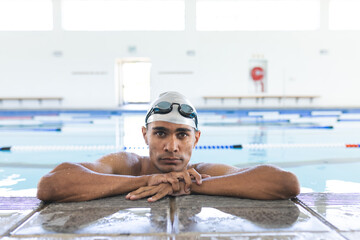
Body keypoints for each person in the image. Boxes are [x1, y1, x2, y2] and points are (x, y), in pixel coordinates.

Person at [37, 91, 300, 203]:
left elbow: (285, 183)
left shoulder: (203, 171)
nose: (172, 146)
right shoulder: (127, 165)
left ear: (196, 139)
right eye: (161, 133)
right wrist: (148, 179)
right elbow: (51, 185)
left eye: (182, 135)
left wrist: (188, 185)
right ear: (145, 135)